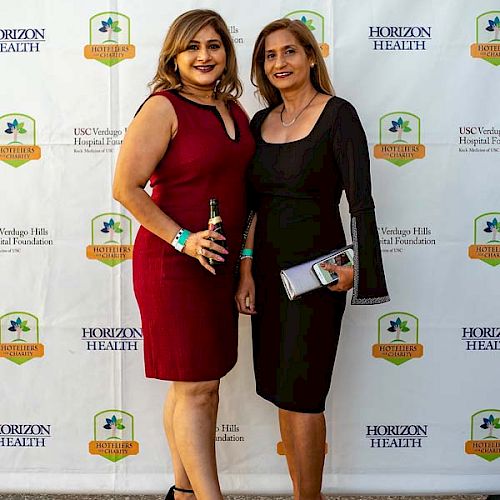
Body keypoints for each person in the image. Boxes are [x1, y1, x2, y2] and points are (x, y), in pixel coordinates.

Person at [235, 18, 389, 500]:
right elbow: (252, 207)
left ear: (309, 57)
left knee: (305, 397)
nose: (279, 63)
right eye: (269, 56)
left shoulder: (338, 115)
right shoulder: (259, 123)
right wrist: (245, 272)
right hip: (267, 275)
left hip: (317, 278)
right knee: (284, 394)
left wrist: (357, 270)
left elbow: (360, 202)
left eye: (289, 53)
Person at [113, 9, 254, 500]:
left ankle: (184, 493)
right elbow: (125, 188)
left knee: (197, 386)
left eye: (214, 45)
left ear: (226, 53)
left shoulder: (233, 109)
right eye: (192, 46)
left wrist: (245, 263)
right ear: (174, 54)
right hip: (173, 265)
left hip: (219, 265)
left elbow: (246, 192)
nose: (204, 55)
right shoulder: (162, 107)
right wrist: (183, 240)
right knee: (196, 388)